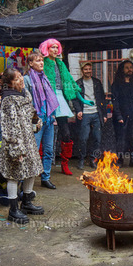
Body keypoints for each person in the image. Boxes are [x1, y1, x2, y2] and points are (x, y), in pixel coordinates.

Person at [39, 38, 93, 176]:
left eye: (57, 47)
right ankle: (40, 165)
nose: (55, 50)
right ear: (46, 49)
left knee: (66, 133)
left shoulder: (60, 64)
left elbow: (70, 82)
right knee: (44, 133)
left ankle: (64, 163)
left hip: (60, 100)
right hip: (47, 100)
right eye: (52, 47)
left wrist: (82, 99)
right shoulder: (42, 63)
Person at [0, 68, 45, 224]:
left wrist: (36, 122)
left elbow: (31, 114)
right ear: (10, 83)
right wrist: (16, 149)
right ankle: (13, 210)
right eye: (17, 78)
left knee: (31, 170)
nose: (21, 80)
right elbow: (10, 126)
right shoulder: (8, 100)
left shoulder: (25, 95)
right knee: (14, 174)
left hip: (28, 140)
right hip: (16, 143)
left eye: (20, 76)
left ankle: (26, 202)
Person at [24, 51, 59, 189]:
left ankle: (46, 178)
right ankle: (27, 182)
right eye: (37, 60)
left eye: (42, 60)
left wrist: (53, 115)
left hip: (48, 119)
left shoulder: (45, 78)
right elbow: (25, 101)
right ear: (30, 63)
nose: (41, 63)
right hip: (35, 120)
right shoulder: (27, 80)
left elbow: (51, 98)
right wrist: (33, 117)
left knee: (49, 150)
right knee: (33, 151)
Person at [74, 62, 107, 170]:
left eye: (89, 69)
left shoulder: (97, 82)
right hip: (85, 114)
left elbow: (102, 98)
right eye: (86, 69)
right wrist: (78, 110)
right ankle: (81, 159)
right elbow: (75, 99)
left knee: (97, 138)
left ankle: (93, 159)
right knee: (83, 138)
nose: (88, 71)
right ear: (82, 71)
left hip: (96, 113)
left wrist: (104, 114)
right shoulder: (78, 83)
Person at [111, 60, 133, 168]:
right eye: (127, 68)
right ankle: (120, 159)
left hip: (131, 115)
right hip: (120, 117)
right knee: (121, 139)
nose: (129, 70)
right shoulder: (116, 84)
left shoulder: (132, 84)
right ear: (122, 70)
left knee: (132, 138)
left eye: (131, 67)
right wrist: (119, 116)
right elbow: (115, 102)